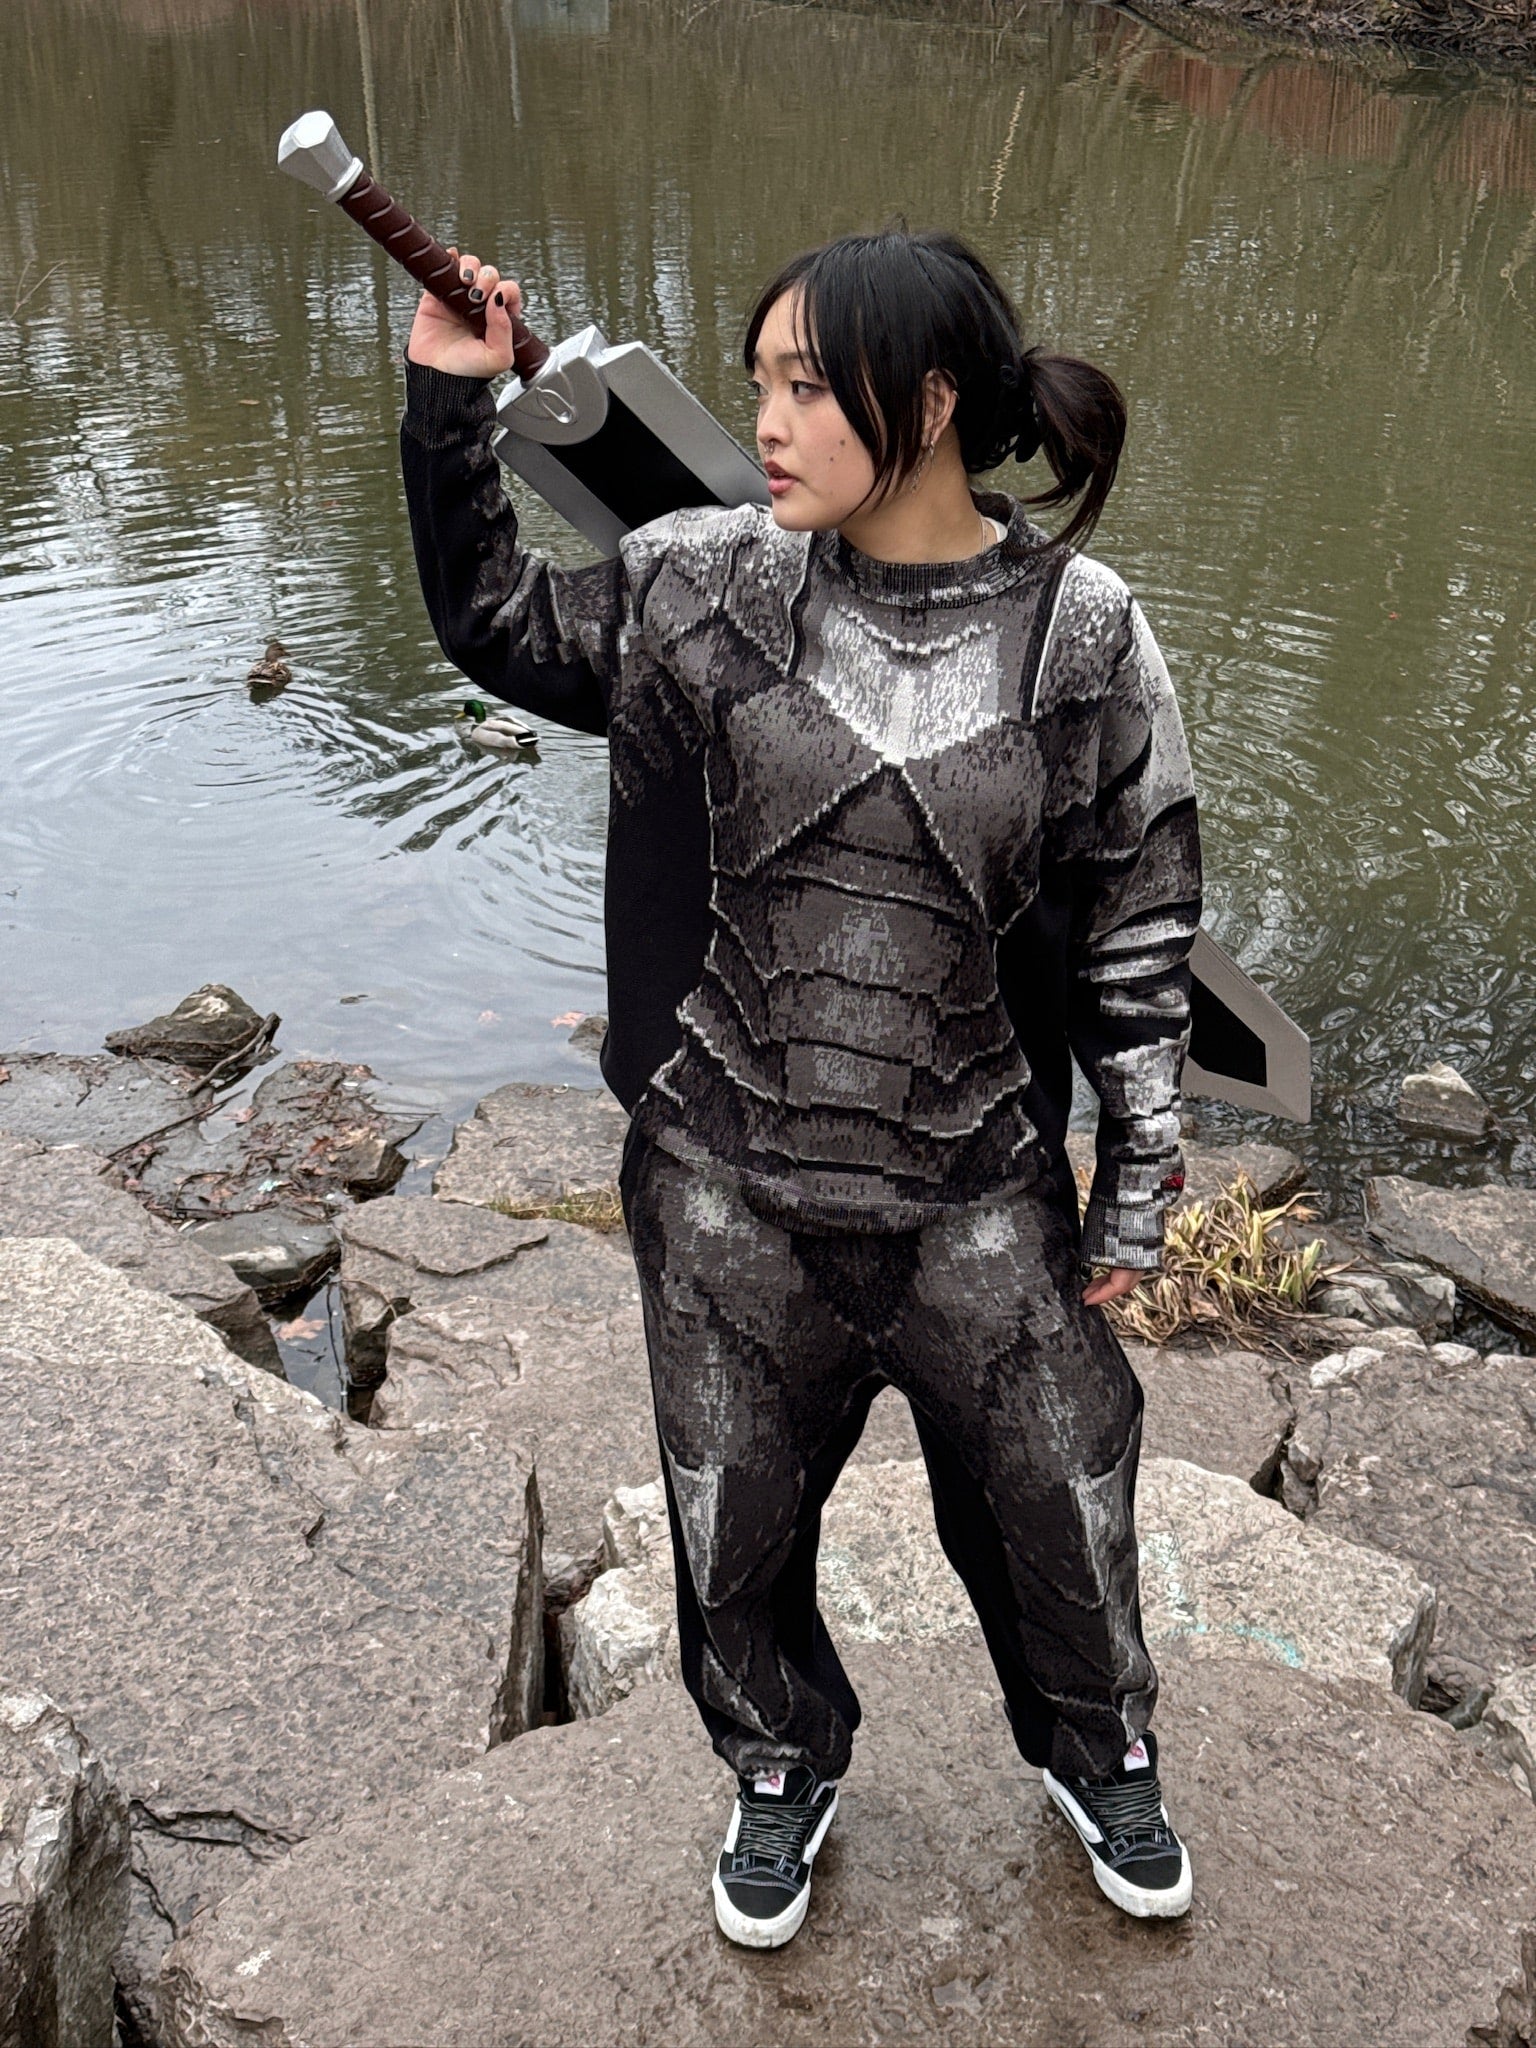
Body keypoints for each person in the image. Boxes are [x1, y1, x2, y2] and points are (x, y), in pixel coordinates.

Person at [400, 227, 1202, 1950]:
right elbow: (498, 622)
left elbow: (1141, 918)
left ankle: (1102, 1753)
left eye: (805, 387)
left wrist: (1135, 1181)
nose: (765, 423)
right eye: (756, 384)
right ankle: (780, 1762)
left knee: (1064, 1485)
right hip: (725, 1181)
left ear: (929, 402)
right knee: (729, 1516)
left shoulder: (1085, 635)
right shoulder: (705, 586)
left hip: (972, 1182)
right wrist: (450, 409)